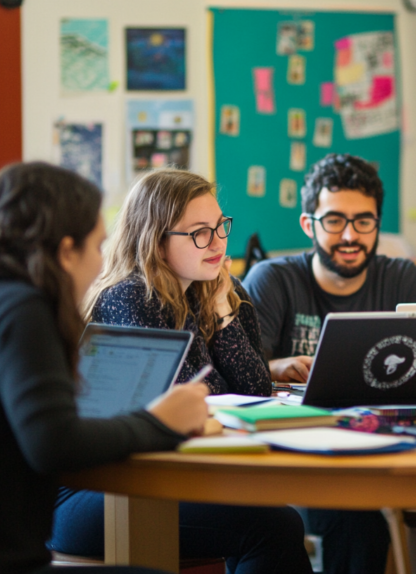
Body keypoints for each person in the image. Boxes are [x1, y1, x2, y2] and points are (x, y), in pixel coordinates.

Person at [0, 162, 208, 574]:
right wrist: (159, 421)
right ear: (65, 251)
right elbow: (54, 443)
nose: (101, 263)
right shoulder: (20, 308)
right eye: (97, 247)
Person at [49, 169, 312, 573]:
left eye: (220, 226)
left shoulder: (225, 288)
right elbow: (197, 399)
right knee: (273, 526)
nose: (218, 243)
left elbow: (256, 390)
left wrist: (224, 312)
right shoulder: (131, 297)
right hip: (99, 488)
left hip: (169, 475)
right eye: (198, 233)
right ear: (155, 241)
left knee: (272, 517)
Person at [243, 153, 416, 573]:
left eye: (363, 221)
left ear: (377, 225)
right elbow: (235, 378)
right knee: (356, 517)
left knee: (373, 516)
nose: (350, 235)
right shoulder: (271, 280)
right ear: (308, 224)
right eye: (334, 221)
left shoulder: (404, 279)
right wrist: (274, 368)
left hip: (387, 453)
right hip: (289, 457)